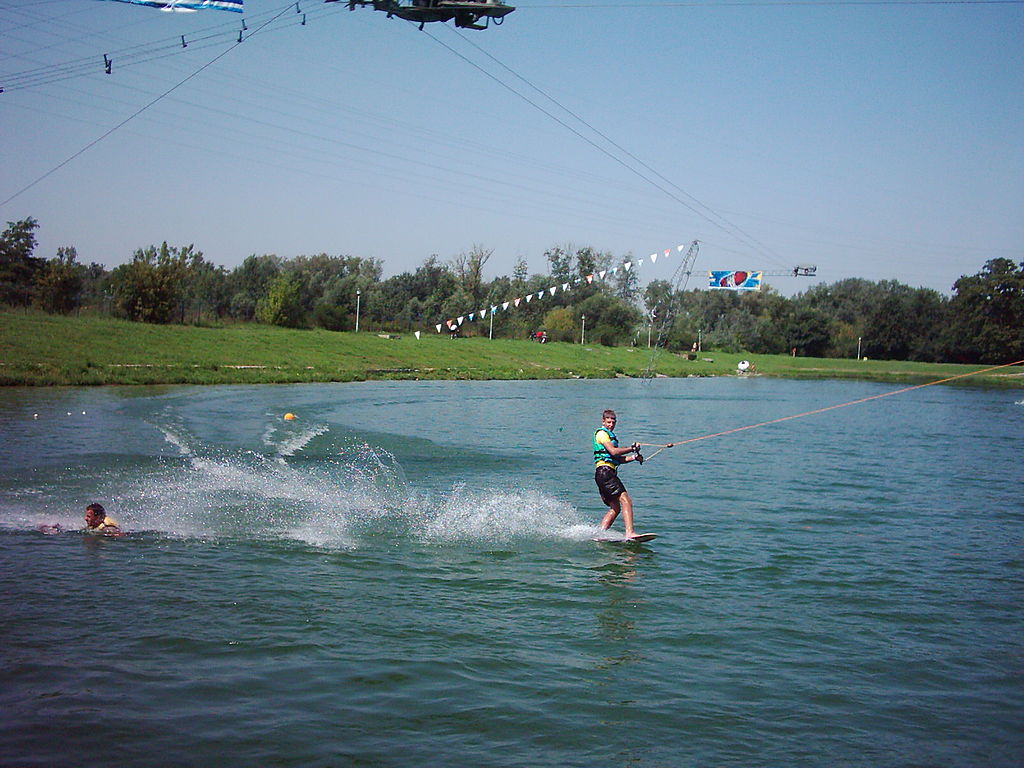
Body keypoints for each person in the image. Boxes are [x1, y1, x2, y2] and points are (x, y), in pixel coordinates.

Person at [593, 409, 645, 539]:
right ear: (603, 421)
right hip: (605, 473)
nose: (611, 425)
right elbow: (614, 452)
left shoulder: (611, 436)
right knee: (625, 500)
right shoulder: (602, 434)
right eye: (608, 422)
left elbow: (618, 459)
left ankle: (600, 534)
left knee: (615, 507)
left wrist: (634, 457)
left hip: (603, 474)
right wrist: (632, 448)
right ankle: (630, 532)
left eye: (613, 422)